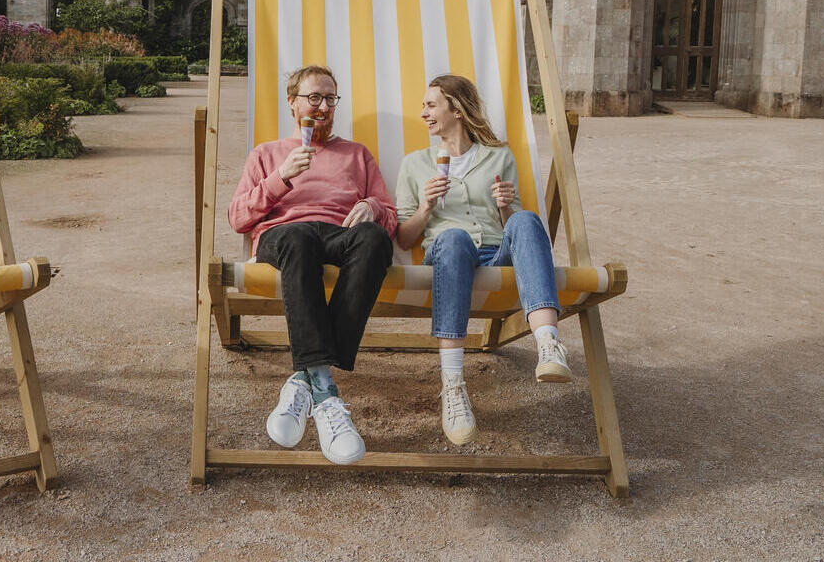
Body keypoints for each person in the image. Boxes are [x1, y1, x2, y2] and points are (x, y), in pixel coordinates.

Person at [393, 74, 572, 446]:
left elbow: (516, 231)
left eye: (430, 105)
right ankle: (454, 386)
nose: (422, 113)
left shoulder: (498, 157)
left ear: (456, 109)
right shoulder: (415, 164)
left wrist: (506, 206)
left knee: (526, 219)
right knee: (454, 237)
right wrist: (426, 207)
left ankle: (548, 344)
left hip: (496, 255)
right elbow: (404, 237)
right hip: (447, 257)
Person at [230, 65, 397, 465]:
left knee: (373, 240)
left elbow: (391, 218)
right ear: (293, 103)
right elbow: (238, 217)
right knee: (300, 235)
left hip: (341, 232)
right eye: (314, 98)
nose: (323, 106)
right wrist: (280, 178)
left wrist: (371, 207)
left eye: (330, 98)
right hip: (284, 235)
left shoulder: (357, 154)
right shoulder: (266, 154)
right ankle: (325, 389)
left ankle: (306, 379)